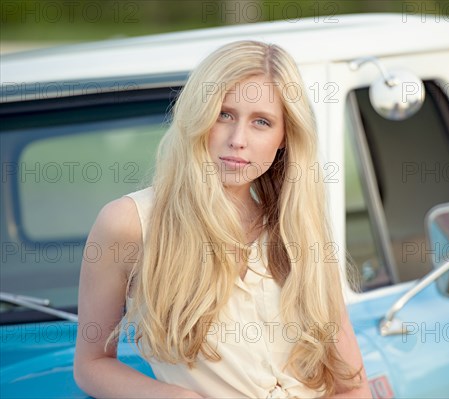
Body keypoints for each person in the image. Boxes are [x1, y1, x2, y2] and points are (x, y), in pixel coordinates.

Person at [74, 40, 372, 398]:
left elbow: (350, 386)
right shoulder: (130, 222)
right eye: (224, 114)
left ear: (284, 137)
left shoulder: (301, 228)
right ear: (198, 116)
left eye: (262, 122)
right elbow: (91, 364)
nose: (237, 140)